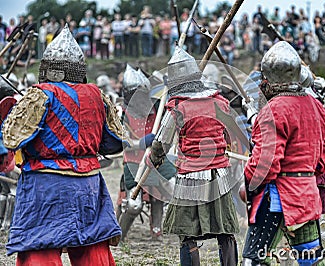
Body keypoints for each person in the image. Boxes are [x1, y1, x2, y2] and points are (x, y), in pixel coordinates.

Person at [0, 25, 123, 265]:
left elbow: (12, 138)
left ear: (48, 67)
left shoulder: (39, 94)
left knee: (40, 246)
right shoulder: (97, 95)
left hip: (47, 185)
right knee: (92, 244)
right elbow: (112, 144)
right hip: (88, 184)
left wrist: (12, 111)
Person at [147, 46, 240, 266]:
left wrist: (154, 158)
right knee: (225, 231)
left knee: (188, 234)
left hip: (190, 174)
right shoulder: (220, 102)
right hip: (220, 174)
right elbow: (229, 135)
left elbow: (162, 141)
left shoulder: (178, 107)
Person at [241, 41, 325, 265]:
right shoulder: (316, 105)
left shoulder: (274, 109)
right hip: (308, 196)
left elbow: (265, 164)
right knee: (310, 259)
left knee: (254, 260)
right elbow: (324, 158)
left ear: (268, 78)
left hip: (277, 197)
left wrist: (248, 182)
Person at [116, 65, 176, 241]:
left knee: (169, 188)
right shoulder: (122, 113)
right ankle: (119, 236)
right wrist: (142, 142)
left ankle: (157, 229)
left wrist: (170, 91)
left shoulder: (156, 108)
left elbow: (172, 110)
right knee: (134, 205)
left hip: (156, 158)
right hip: (134, 161)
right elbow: (121, 141)